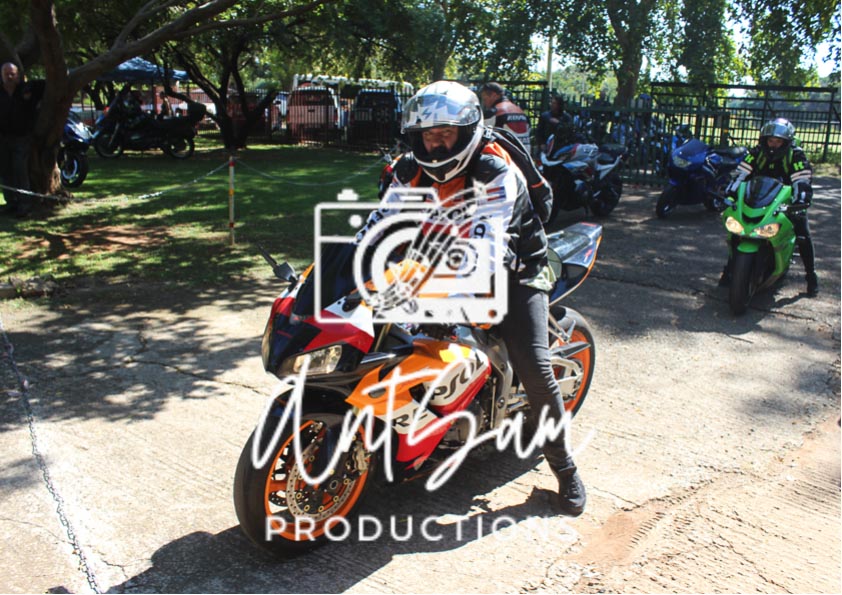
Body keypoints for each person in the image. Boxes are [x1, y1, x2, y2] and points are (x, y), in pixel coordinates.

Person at [365, 80, 586, 516]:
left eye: (446, 135)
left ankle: (565, 469)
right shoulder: (409, 170)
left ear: (466, 133)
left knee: (534, 365)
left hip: (516, 269)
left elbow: (487, 250)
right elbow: (378, 225)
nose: (436, 145)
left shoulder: (495, 171)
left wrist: (438, 299)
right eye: (428, 136)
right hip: (441, 258)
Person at [720, 117, 818, 295]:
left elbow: (801, 179)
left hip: (786, 201)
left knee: (802, 232)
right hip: (757, 199)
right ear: (764, 140)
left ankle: (811, 276)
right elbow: (741, 173)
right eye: (770, 140)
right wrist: (730, 192)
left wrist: (801, 200)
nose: (773, 145)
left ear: (786, 142)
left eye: (778, 141)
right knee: (737, 230)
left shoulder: (795, 155)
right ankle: (730, 269)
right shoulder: (757, 152)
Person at [0, 62, 44, 217]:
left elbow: (46, 85)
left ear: (18, 75)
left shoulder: (27, 89)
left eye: (12, 74)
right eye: (6, 74)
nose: (9, 77)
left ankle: (25, 204)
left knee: (20, 170)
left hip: (22, 138)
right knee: (5, 171)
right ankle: (11, 203)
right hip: (3, 138)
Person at [479, 82, 532, 155]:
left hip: (506, 156)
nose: (485, 103)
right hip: (525, 155)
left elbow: (481, 136)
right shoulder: (520, 111)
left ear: (494, 95)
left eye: (485, 99)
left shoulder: (494, 112)